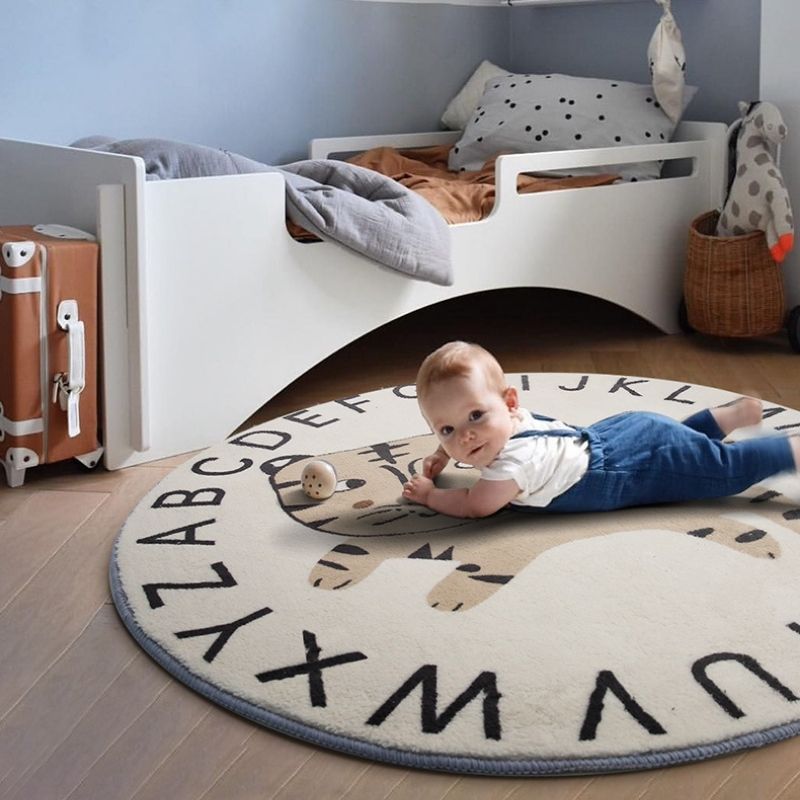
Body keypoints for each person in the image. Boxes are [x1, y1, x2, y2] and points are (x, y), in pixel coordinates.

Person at [402, 341, 800, 519]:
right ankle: (725, 418)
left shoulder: (512, 463)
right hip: (626, 432)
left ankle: (790, 450)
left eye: (475, 417)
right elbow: (470, 439)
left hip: (625, 469)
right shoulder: (514, 423)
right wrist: (443, 454)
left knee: (723, 471)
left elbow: (476, 504)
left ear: (508, 403)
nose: (465, 437)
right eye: (447, 429)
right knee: (682, 447)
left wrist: (432, 496)